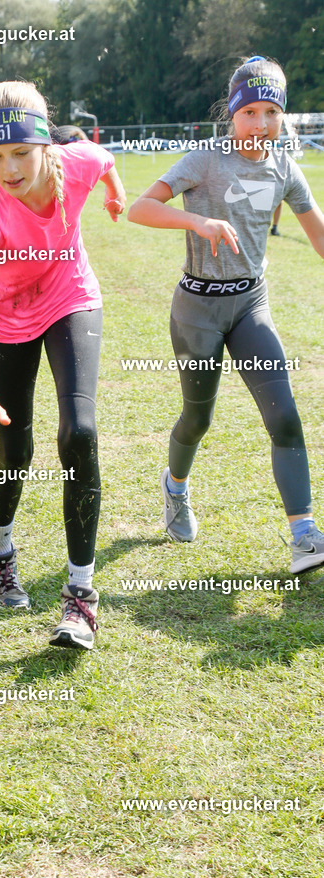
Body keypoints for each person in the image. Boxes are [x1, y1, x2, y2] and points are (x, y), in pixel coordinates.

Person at [127, 55, 324, 575]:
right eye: (250, 112)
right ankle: (175, 489)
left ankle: (304, 534)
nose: (261, 124)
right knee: (199, 417)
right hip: (198, 309)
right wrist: (199, 220)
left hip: (250, 306)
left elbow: (320, 236)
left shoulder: (285, 165)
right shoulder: (206, 160)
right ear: (232, 113)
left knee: (284, 416)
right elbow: (139, 208)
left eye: (271, 112)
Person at [0, 81, 126, 650]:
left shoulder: (75, 164)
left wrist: (116, 196)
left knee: (80, 431)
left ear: (46, 144)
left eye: (20, 153)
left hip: (71, 296)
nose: (9, 169)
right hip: (7, 320)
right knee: (14, 449)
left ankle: (81, 598)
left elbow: (105, 162)